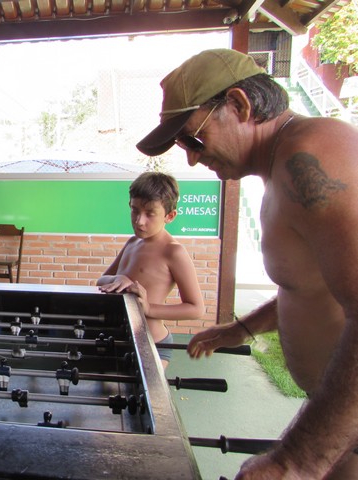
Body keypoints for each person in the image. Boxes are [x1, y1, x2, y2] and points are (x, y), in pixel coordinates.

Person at [136, 48, 358, 479]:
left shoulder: (314, 156)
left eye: (192, 139)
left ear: (239, 105)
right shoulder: (282, 168)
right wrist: (239, 329)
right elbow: (317, 287)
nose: (192, 158)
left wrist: (296, 461)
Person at [96, 172, 204, 369]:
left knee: (147, 398)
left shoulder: (174, 251)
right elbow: (101, 280)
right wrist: (119, 278)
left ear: (169, 216)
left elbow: (196, 308)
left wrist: (148, 308)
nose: (139, 221)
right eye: (134, 210)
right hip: (120, 339)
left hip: (153, 343)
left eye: (149, 213)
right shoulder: (132, 242)